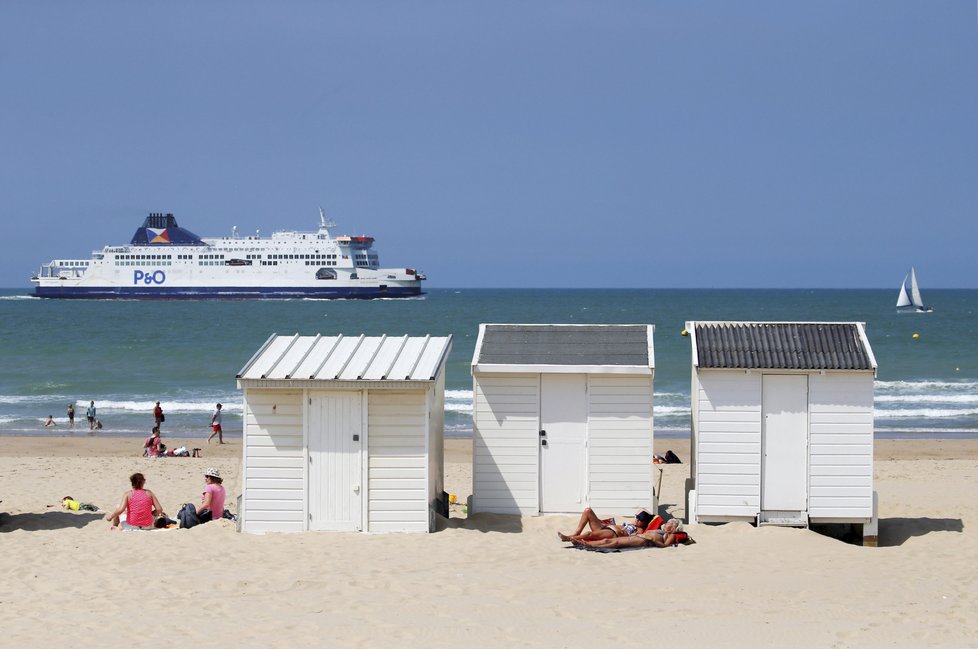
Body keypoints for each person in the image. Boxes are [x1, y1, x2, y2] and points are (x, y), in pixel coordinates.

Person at [572, 518, 686, 549]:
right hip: (639, 537)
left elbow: (665, 546)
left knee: (615, 542)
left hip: (643, 540)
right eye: (667, 523)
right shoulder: (660, 530)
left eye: (670, 524)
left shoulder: (670, 535)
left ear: (675, 528)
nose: (667, 524)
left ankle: (588, 545)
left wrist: (653, 540)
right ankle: (585, 544)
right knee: (611, 541)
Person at [557, 507, 654, 542]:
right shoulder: (634, 523)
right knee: (588, 511)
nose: (637, 519)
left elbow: (638, 536)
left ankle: (570, 538)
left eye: (640, 519)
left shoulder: (640, 530)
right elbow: (642, 509)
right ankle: (575, 533)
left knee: (588, 534)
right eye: (636, 517)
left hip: (612, 533)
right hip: (605, 527)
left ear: (645, 523)